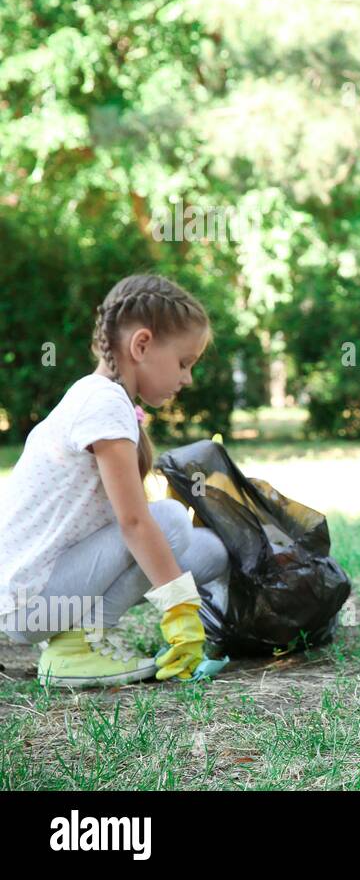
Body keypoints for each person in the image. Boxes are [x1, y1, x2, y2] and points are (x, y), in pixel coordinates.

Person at [0, 274, 230, 688]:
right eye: (184, 363)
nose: (188, 379)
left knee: (210, 551)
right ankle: (75, 648)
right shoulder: (102, 402)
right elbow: (135, 523)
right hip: (28, 603)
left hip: (47, 590)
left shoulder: (104, 397)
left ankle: (79, 635)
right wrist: (178, 611)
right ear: (141, 345)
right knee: (170, 522)